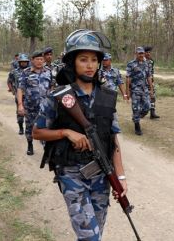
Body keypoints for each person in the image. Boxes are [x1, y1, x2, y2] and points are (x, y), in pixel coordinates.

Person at [33, 29, 128, 241]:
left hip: (102, 176)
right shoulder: (58, 96)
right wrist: (66, 132)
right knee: (90, 237)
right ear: (72, 62)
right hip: (71, 173)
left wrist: (120, 177)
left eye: (94, 60)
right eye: (83, 59)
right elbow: (37, 132)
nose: (90, 65)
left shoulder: (107, 96)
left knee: (96, 233)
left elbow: (113, 140)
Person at [17, 50, 53, 155]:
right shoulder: (26, 72)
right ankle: (30, 144)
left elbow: (52, 87)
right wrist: (20, 105)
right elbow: (20, 89)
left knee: (46, 128)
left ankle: (46, 150)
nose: (40, 61)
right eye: (37, 59)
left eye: (41, 59)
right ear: (32, 60)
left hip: (45, 107)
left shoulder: (48, 71)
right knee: (29, 127)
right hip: (30, 107)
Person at [126, 47, 154, 135]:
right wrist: (128, 91)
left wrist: (151, 89)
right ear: (136, 54)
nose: (141, 55)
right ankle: (137, 125)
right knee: (135, 108)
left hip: (144, 89)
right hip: (135, 89)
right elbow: (128, 78)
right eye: (139, 53)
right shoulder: (131, 64)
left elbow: (149, 77)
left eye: (142, 53)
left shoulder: (147, 63)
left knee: (147, 106)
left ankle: (137, 116)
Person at [7, 53, 30, 135]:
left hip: (29, 96)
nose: (24, 63)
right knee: (20, 113)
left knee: (29, 114)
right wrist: (12, 90)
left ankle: (30, 130)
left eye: (25, 62)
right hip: (19, 96)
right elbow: (9, 81)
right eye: (22, 62)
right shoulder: (14, 72)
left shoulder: (31, 71)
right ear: (19, 62)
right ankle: (21, 128)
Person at [143, 46, 160, 119]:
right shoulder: (141, 61)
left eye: (149, 52)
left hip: (150, 81)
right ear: (144, 53)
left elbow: (151, 72)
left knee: (152, 96)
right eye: (147, 52)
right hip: (142, 82)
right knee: (142, 97)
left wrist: (152, 81)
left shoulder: (151, 61)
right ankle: (141, 112)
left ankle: (152, 113)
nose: (148, 53)